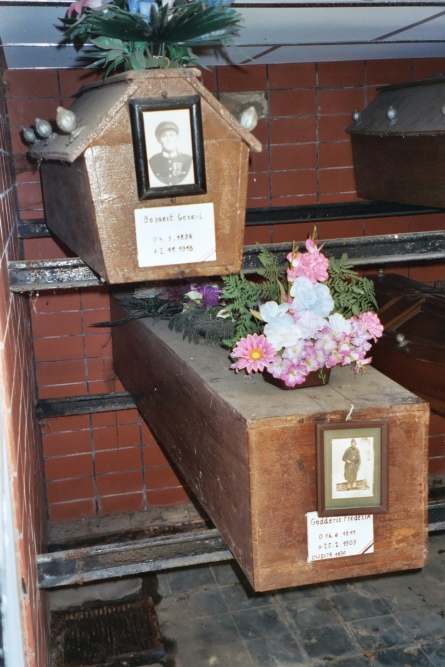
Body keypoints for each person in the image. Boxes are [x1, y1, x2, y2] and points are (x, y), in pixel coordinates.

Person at [149, 121, 193, 185]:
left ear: (177, 137)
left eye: (171, 135)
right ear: (158, 139)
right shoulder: (152, 161)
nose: (168, 139)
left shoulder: (188, 160)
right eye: (164, 136)